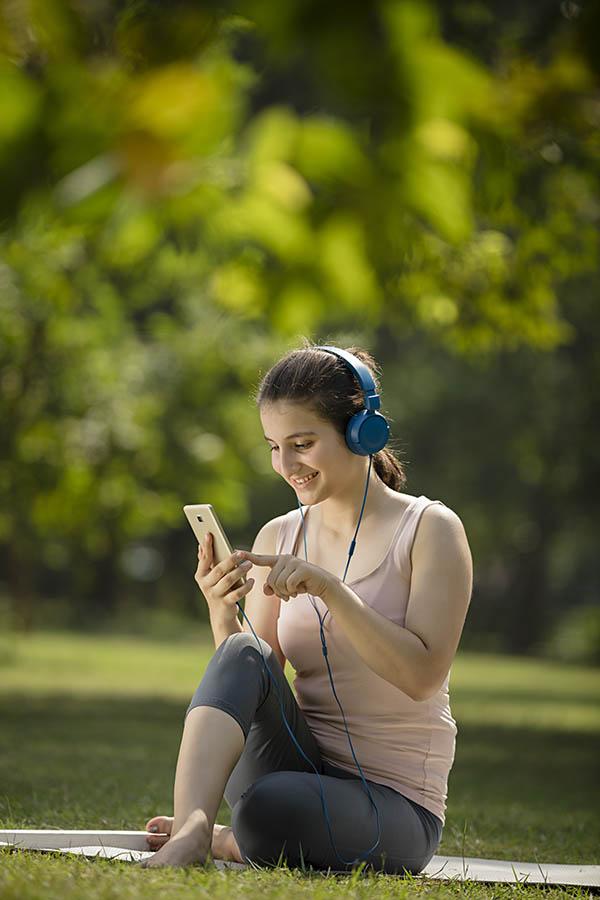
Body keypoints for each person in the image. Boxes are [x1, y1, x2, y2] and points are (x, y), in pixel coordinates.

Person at [141, 339, 473, 873]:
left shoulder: (431, 530)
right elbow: (253, 682)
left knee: (269, 810)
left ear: (362, 431)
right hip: (300, 767)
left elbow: (421, 676)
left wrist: (332, 590)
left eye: (301, 443)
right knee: (244, 652)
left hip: (396, 808)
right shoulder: (282, 532)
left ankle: (237, 839)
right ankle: (194, 829)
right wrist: (222, 610)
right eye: (274, 446)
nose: (285, 464)